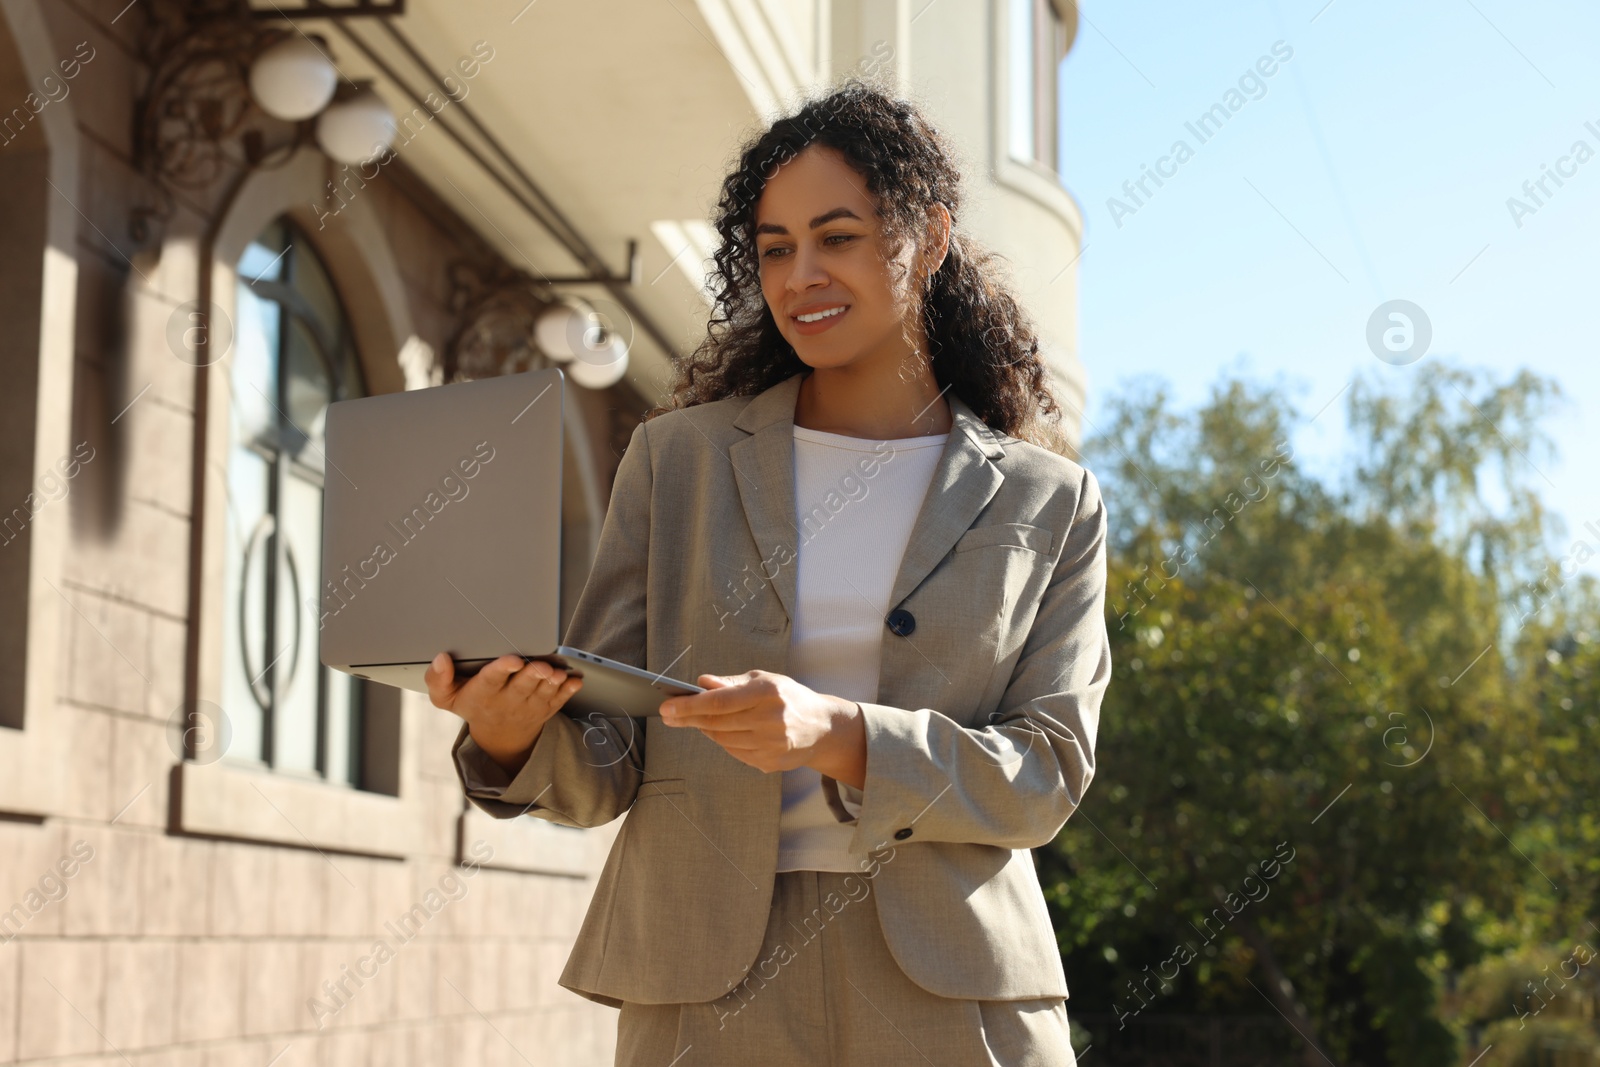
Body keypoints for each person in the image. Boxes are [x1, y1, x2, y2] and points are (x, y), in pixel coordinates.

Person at [425, 78, 1110, 1066]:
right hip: (703, 985)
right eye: (776, 247)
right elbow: (611, 749)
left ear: (930, 236)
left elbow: (1045, 773)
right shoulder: (676, 462)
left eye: (835, 236)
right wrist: (510, 738)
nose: (799, 275)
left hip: (953, 988)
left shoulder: (1050, 500)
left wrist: (838, 734)